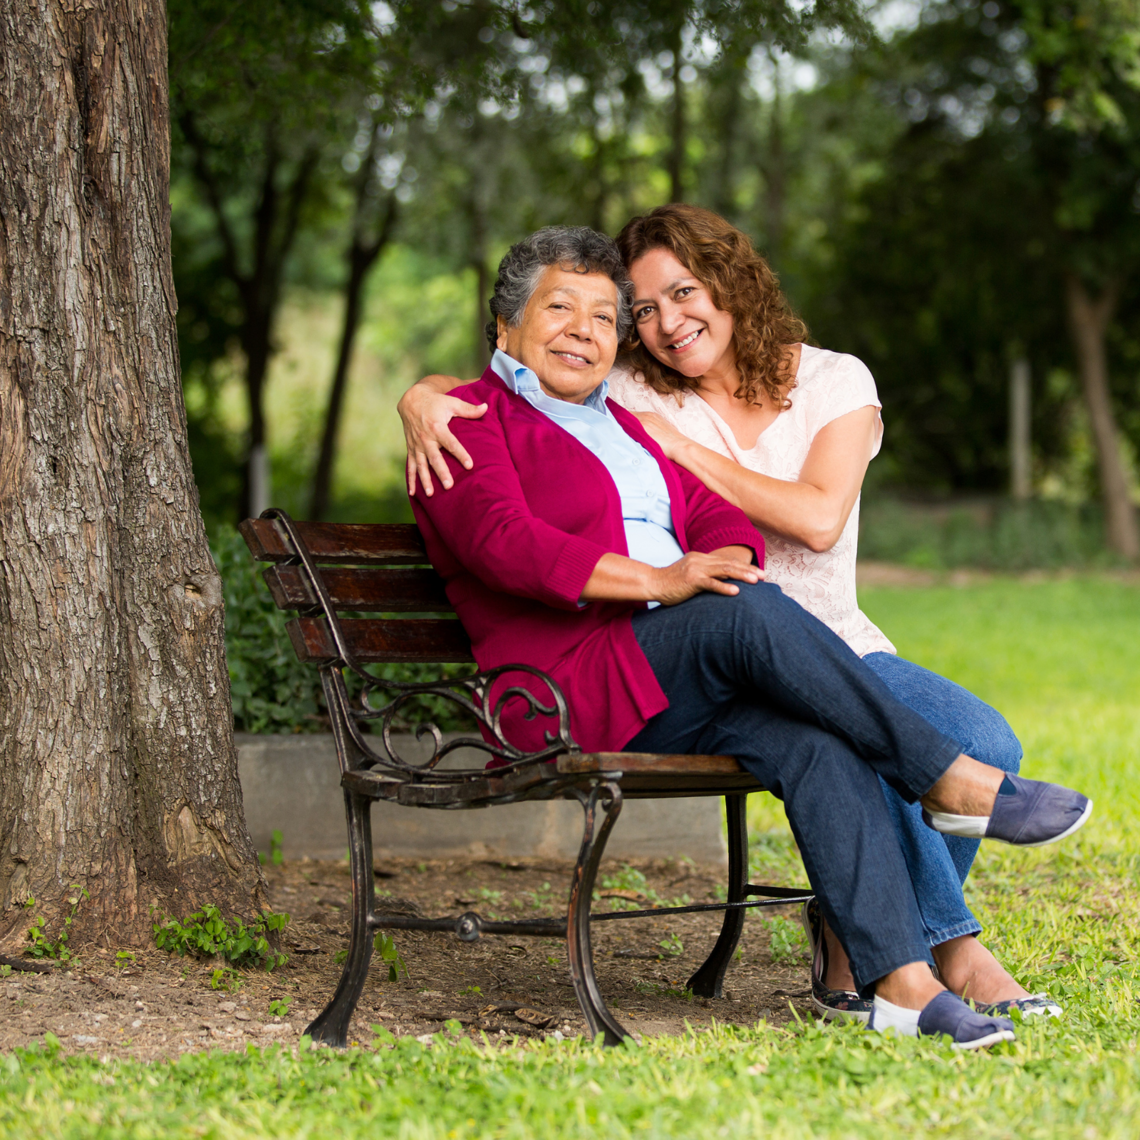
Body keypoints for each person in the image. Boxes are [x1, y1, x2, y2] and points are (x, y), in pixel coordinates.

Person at [406, 223, 1091, 1050]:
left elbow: (718, 519)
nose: (584, 331)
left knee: (814, 739)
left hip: (686, 675)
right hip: (570, 685)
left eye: (601, 317)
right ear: (506, 325)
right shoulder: (466, 421)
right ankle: (948, 782)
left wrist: (719, 558)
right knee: (742, 607)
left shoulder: (622, 419)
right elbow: (504, 543)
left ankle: (903, 986)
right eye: (560, 309)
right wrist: (669, 581)